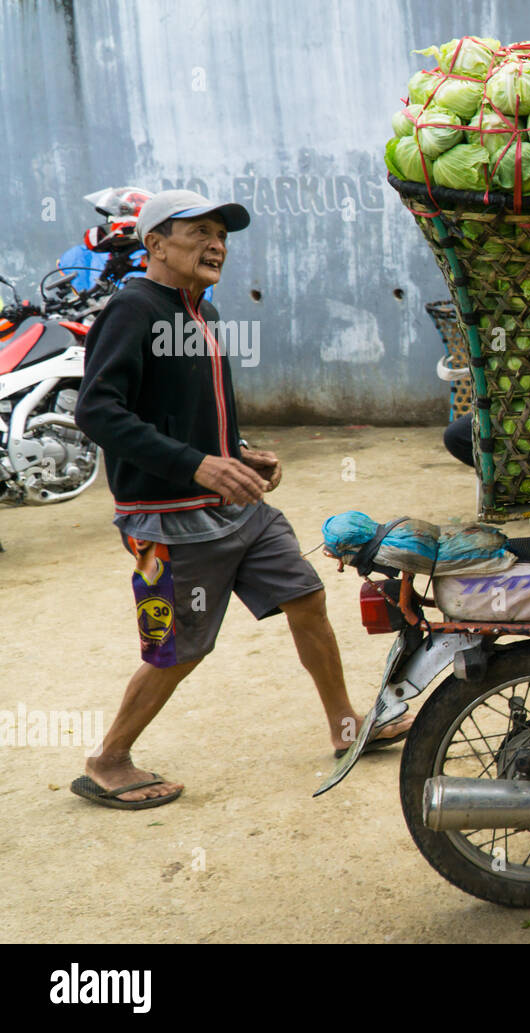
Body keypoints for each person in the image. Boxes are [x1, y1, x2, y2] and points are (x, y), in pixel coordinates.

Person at [72, 189, 411, 809]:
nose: (216, 244)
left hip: (236, 507)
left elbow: (198, 410)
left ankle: (344, 726)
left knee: (305, 595)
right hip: (161, 521)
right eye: (198, 232)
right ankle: (108, 760)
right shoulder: (132, 311)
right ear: (155, 244)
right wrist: (197, 464)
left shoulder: (206, 312)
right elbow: (97, 411)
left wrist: (239, 450)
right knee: (177, 644)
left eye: (221, 234)